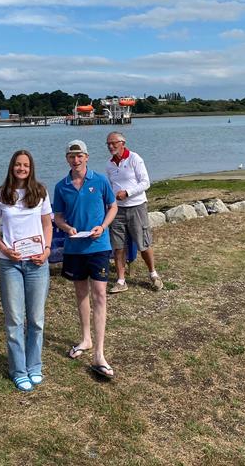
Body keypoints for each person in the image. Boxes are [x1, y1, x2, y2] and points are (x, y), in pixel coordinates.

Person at [0, 150, 53, 393]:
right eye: (17, 165)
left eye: (25, 165)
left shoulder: (41, 192)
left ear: (31, 168)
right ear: (11, 167)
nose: (21, 169)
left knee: (36, 319)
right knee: (14, 319)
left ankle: (34, 365)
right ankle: (18, 370)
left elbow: (48, 224)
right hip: (10, 263)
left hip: (37, 263)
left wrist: (46, 251)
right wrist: (5, 249)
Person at [53, 139, 118, 379]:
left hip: (99, 246)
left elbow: (113, 206)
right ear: (67, 158)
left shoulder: (100, 180)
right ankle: (86, 339)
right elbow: (58, 216)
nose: (76, 159)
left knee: (100, 294)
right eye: (72, 156)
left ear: (87, 157)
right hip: (74, 248)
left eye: (80, 155)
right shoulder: (62, 186)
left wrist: (103, 226)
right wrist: (66, 227)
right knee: (81, 294)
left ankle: (99, 353)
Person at [105, 131, 163, 292]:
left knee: (143, 243)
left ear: (122, 142)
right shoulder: (109, 165)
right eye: (108, 144)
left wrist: (127, 193)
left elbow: (146, 182)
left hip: (137, 206)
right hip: (117, 209)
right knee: (118, 246)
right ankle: (121, 281)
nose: (111, 146)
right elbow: (110, 187)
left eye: (114, 143)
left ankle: (153, 274)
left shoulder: (134, 159)